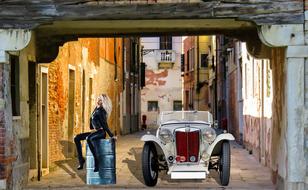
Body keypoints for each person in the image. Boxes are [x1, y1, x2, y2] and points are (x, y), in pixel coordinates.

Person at [74, 94, 115, 172]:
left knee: (88, 138)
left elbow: (104, 124)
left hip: (101, 132)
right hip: (96, 131)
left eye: (100, 100)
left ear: (103, 102)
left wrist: (111, 135)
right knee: (76, 138)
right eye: (98, 99)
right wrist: (93, 128)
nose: (98, 101)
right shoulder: (96, 108)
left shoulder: (102, 111)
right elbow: (92, 119)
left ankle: (97, 162)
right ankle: (81, 160)